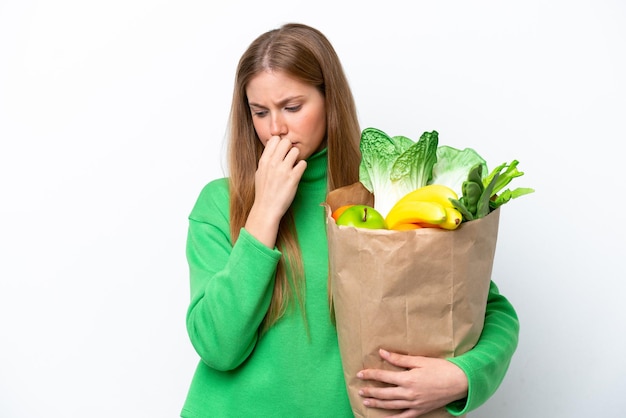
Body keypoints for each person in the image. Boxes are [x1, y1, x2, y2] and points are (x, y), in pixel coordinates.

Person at [181, 22, 519, 418]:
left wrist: (462, 377)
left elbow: (483, 306)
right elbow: (217, 346)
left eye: (292, 107)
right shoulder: (220, 204)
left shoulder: (386, 194)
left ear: (330, 100)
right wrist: (264, 213)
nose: (275, 129)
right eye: (260, 112)